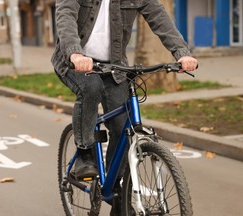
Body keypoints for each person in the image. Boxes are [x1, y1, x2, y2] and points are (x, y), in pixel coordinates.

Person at [52, 0, 198, 180]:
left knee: (123, 128)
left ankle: (115, 190)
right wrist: (74, 52)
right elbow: (65, 14)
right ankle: (85, 154)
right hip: (74, 61)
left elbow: (159, 16)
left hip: (114, 65)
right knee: (91, 87)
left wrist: (182, 52)